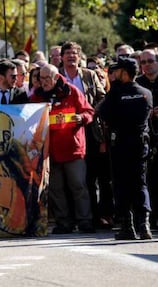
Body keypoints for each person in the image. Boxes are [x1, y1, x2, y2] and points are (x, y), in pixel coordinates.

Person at [31, 64, 95, 234]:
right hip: (49, 152)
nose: (42, 82)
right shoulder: (37, 96)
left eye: (46, 78)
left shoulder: (72, 91)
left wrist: (81, 117)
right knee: (56, 189)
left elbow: (89, 111)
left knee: (78, 186)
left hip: (73, 148)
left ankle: (85, 220)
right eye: (40, 78)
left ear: (55, 77)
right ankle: (63, 222)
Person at [99, 57, 153, 240]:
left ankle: (127, 227)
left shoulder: (115, 94)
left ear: (125, 72)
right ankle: (144, 225)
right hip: (140, 144)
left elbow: (102, 112)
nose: (114, 74)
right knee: (140, 183)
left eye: (118, 71)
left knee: (122, 185)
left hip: (121, 144)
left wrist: (113, 90)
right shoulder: (146, 93)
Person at [59, 41, 107, 229]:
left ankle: (91, 218)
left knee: (88, 177)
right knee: (67, 180)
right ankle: (68, 219)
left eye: (75, 54)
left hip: (89, 130)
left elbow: (102, 97)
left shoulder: (89, 75)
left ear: (80, 57)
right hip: (64, 133)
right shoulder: (56, 76)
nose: (71, 57)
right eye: (68, 53)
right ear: (61, 57)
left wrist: (90, 113)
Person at [135, 48, 158, 230]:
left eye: (150, 61)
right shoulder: (138, 84)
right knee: (149, 179)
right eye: (143, 62)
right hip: (146, 138)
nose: (146, 66)